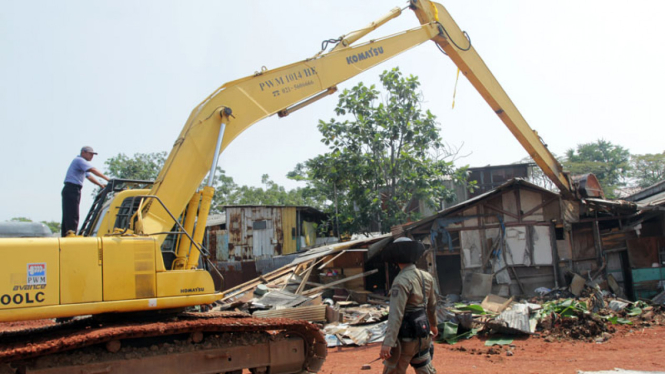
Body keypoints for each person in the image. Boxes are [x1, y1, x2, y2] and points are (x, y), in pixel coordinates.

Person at [380, 237, 438, 374]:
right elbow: (432, 305)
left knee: (393, 370)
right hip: (423, 335)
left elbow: (396, 315)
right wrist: (433, 325)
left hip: (406, 339)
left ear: (395, 258)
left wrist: (388, 343)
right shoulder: (426, 277)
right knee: (424, 368)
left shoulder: (400, 281)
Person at [61, 146, 110, 237]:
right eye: (90, 154)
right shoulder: (79, 160)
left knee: (70, 213)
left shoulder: (81, 164)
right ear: (83, 152)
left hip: (72, 189)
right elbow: (93, 170)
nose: (92, 156)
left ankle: (68, 233)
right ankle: (71, 233)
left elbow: (89, 176)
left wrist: (100, 185)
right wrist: (108, 179)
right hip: (72, 188)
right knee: (72, 213)